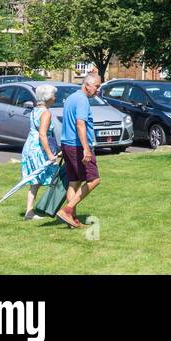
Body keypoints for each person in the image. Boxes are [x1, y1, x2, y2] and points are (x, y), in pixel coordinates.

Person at [56, 73, 102, 230]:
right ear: (87, 85)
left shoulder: (71, 97)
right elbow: (80, 124)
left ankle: (72, 220)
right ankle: (67, 210)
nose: (98, 90)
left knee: (74, 182)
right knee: (94, 180)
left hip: (67, 144)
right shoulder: (82, 99)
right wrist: (86, 149)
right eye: (97, 86)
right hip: (78, 146)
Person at [19, 84, 61, 220]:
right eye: (54, 95)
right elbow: (43, 134)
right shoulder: (46, 113)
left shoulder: (35, 110)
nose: (55, 98)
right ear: (48, 97)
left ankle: (30, 211)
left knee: (36, 180)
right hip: (38, 149)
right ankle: (54, 207)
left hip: (30, 146)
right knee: (54, 177)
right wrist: (49, 153)